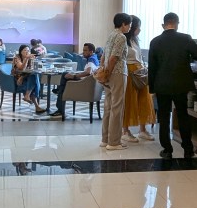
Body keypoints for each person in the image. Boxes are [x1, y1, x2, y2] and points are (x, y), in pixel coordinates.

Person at [148, 12, 197, 159]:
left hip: (162, 85)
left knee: (164, 117)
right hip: (181, 84)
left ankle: (167, 150)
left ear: (163, 24)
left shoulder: (155, 42)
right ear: (177, 24)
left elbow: (152, 68)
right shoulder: (185, 38)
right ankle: (188, 149)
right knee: (183, 115)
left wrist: (151, 88)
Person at [100, 12, 132, 150]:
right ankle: (114, 142)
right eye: (129, 25)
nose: (130, 27)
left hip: (109, 73)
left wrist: (104, 71)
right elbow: (113, 58)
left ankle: (105, 139)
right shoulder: (121, 37)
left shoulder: (111, 35)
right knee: (117, 107)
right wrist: (108, 73)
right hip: (117, 73)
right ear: (123, 24)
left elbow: (104, 56)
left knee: (108, 106)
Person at [122, 16, 155, 142]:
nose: (139, 29)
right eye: (138, 27)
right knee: (129, 101)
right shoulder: (123, 40)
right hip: (130, 72)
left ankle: (143, 130)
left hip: (140, 72)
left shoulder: (135, 40)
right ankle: (125, 130)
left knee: (144, 100)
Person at [49, 43, 100, 120]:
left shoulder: (91, 59)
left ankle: (60, 104)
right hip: (88, 83)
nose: (83, 52)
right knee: (65, 76)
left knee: (64, 76)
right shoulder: (94, 58)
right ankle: (59, 91)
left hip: (85, 85)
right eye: (83, 50)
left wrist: (74, 76)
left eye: (85, 50)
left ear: (91, 51)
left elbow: (88, 72)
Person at [12, 45, 46, 113]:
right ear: (20, 52)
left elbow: (31, 70)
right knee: (34, 82)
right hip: (17, 80)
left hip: (25, 78)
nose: (27, 52)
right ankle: (36, 105)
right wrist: (26, 59)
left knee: (34, 76)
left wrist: (32, 59)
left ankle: (27, 96)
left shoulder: (30, 58)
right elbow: (22, 68)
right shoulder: (17, 58)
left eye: (28, 50)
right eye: (25, 50)